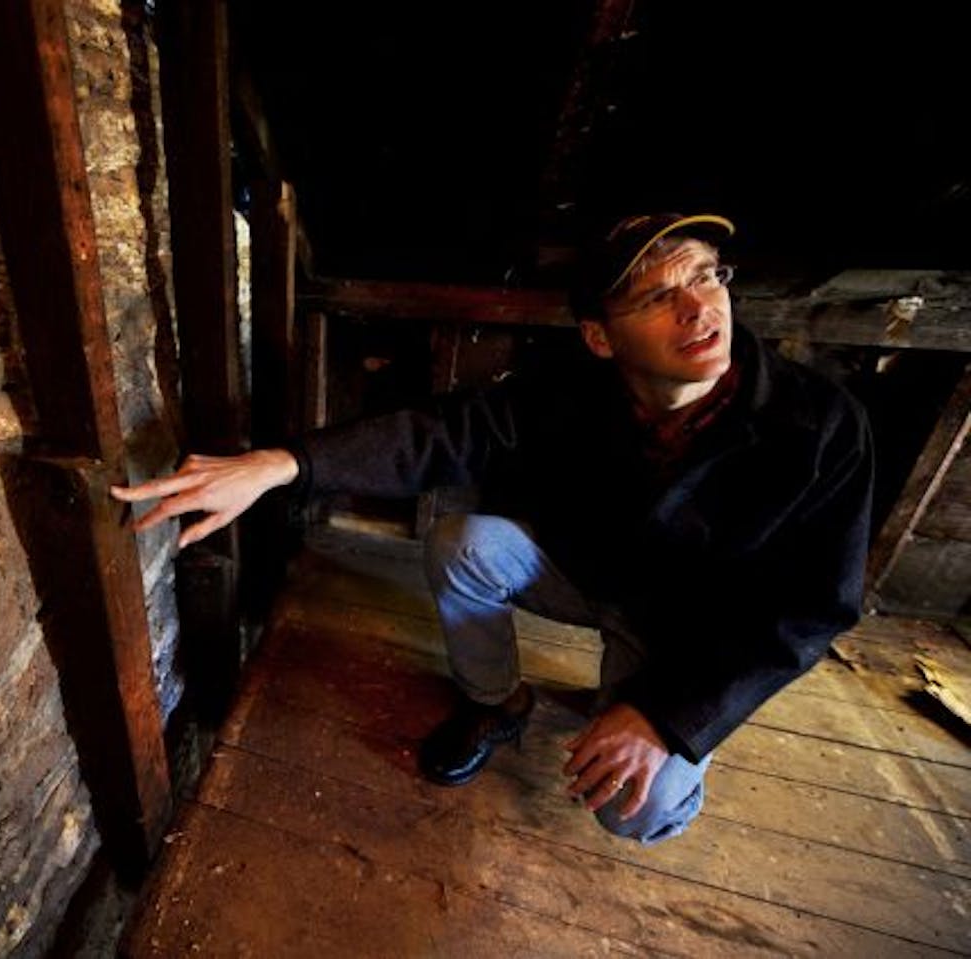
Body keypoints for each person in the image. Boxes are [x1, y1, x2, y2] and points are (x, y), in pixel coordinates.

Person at [110, 213, 874, 845]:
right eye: (657, 295)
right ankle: (497, 704)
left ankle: (651, 717)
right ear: (602, 337)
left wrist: (672, 717)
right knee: (462, 542)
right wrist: (282, 464)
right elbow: (443, 433)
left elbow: (812, 606)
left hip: (688, 634)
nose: (700, 309)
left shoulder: (818, 423)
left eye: (707, 274)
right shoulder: (574, 391)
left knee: (640, 811)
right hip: (594, 575)